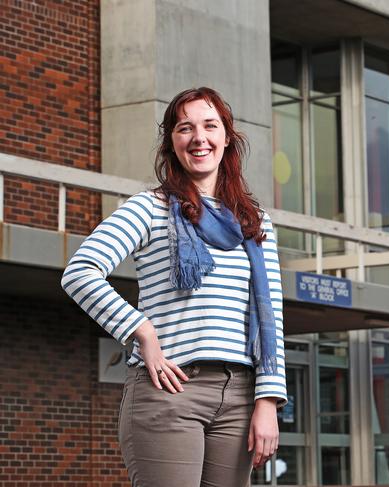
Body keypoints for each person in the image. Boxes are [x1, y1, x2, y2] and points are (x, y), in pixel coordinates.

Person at [62, 87, 287, 487]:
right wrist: (141, 332)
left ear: (227, 138)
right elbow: (80, 272)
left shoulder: (256, 222)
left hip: (239, 395)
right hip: (169, 389)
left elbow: (273, 315)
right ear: (171, 142)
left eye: (209, 126)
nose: (199, 137)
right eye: (185, 128)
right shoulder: (148, 208)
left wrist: (267, 401)